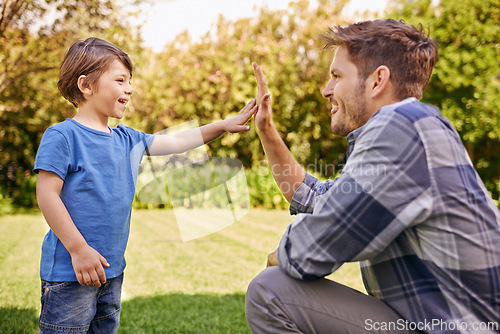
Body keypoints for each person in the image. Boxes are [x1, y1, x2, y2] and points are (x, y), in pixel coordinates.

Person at [246, 19, 500, 333]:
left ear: (378, 80)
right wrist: (267, 131)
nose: (326, 91)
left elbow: (313, 247)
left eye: (337, 76)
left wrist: (278, 256)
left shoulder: (402, 127)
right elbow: (314, 198)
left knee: (270, 291)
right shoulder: (412, 128)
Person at [33, 37, 257, 333]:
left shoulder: (128, 139)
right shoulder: (62, 136)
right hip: (70, 272)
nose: (129, 88)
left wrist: (223, 125)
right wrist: (78, 249)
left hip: (112, 271)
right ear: (86, 86)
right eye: (120, 80)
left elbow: (177, 141)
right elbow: (47, 195)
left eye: (130, 81)